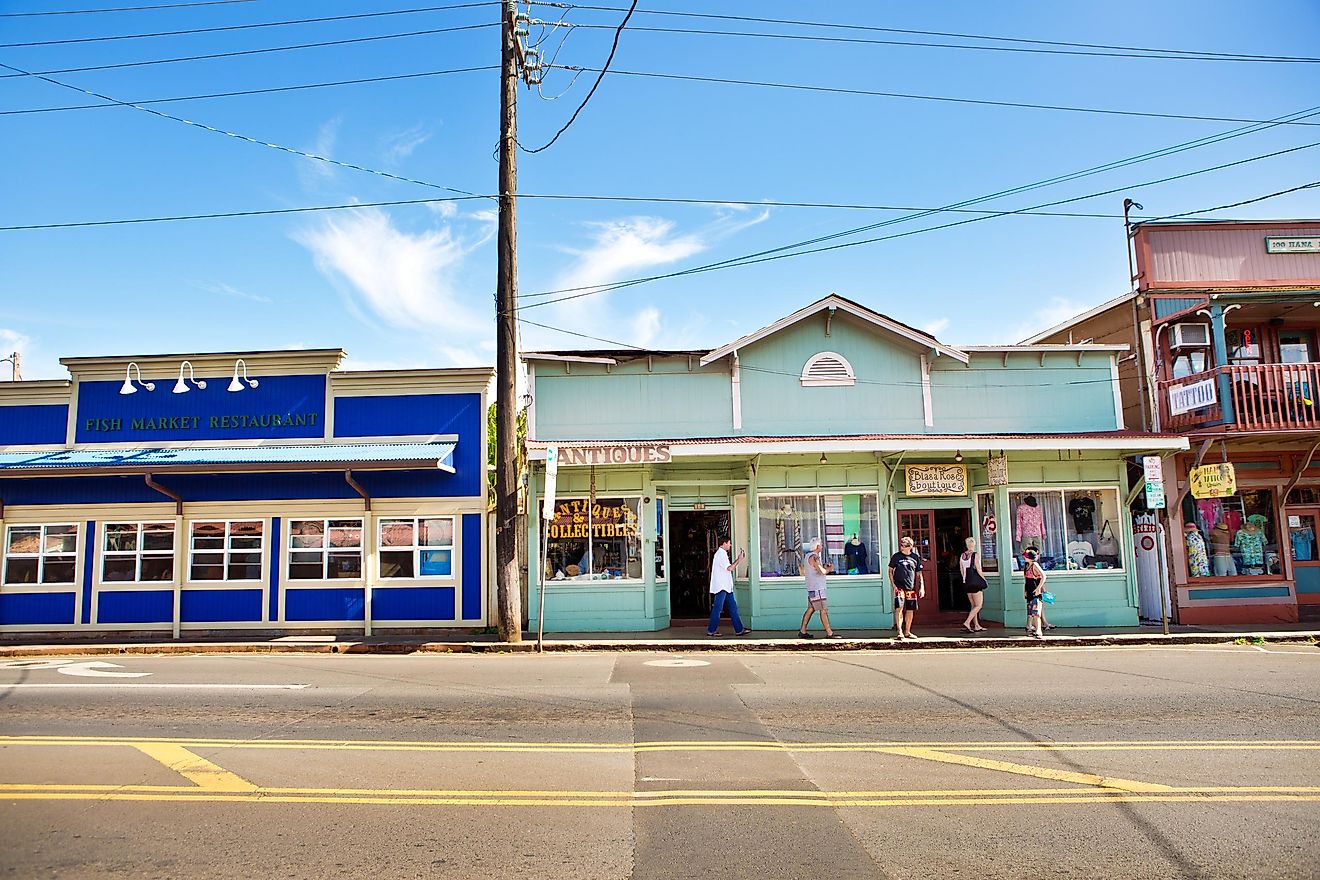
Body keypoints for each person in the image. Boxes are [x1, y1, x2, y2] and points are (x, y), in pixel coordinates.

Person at [707, 535, 751, 637]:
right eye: (729, 543)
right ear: (724, 543)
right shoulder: (721, 555)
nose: (730, 545)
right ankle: (711, 630)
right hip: (722, 587)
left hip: (726, 586)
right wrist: (739, 560)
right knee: (718, 608)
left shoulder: (721, 554)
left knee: (733, 608)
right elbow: (729, 568)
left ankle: (739, 629)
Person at [799, 537, 841, 639]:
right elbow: (822, 572)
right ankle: (830, 633)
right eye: (821, 545)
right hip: (818, 588)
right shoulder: (815, 557)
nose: (822, 546)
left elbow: (811, 570)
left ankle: (802, 631)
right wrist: (830, 569)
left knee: (811, 609)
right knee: (823, 609)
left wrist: (824, 566)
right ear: (818, 546)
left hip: (811, 587)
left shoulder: (807, 556)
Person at [888, 536, 925, 640]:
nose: (901, 547)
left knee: (910, 609)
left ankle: (907, 631)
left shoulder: (915, 557)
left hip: (910, 587)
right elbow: (890, 570)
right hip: (899, 586)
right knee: (899, 608)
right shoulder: (896, 557)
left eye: (903, 545)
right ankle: (900, 632)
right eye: (901, 545)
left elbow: (919, 573)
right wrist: (893, 584)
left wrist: (922, 586)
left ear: (909, 547)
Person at [959, 536, 988, 633]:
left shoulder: (962, 555)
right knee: (979, 605)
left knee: (973, 605)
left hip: (966, 582)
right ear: (974, 544)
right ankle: (967, 622)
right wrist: (984, 579)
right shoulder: (975, 555)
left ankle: (976, 625)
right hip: (975, 583)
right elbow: (978, 568)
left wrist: (964, 580)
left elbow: (962, 570)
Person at [1023, 548, 1046, 640]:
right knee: (1030, 610)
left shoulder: (1034, 565)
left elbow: (1043, 576)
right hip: (1029, 589)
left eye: (1026, 556)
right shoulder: (1026, 566)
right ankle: (1029, 626)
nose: (1024, 558)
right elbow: (1025, 579)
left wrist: (1038, 588)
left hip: (1035, 590)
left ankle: (1038, 630)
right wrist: (1024, 590)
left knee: (1036, 611)